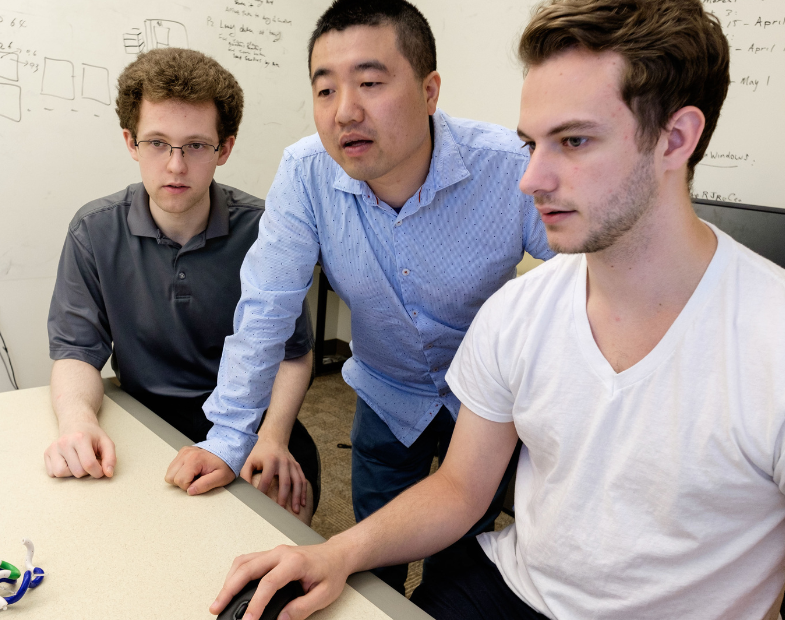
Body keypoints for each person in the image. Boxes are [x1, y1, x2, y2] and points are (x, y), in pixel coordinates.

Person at [210, 0, 785, 619]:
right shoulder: (516, 312)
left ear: (675, 139)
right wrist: (331, 549)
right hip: (467, 510)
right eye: (531, 144)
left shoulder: (763, 341)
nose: (529, 179)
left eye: (573, 140)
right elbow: (458, 488)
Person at [164, 0, 553, 592]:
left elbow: (588, 281)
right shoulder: (304, 173)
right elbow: (265, 308)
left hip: (491, 408)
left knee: (463, 563)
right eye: (325, 91)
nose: (345, 111)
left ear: (429, 90)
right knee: (371, 562)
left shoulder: (506, 168)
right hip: (386, 390)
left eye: (370, 82)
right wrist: (227, 439)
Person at [44, 47, 321, 523]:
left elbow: (293, 354)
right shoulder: (93, 231)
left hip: (255, 422)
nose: (175, 166)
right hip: (141, 421)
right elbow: (76, 352)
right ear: (131, 142)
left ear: (225, 148)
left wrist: (272, 437)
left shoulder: (265, 230)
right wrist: (78, 421)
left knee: (269, 547)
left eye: (195, 146)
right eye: (157, 143)